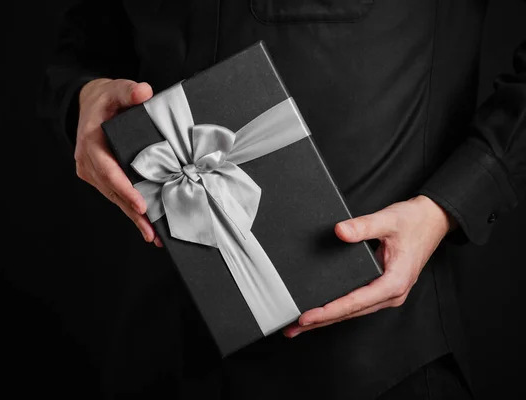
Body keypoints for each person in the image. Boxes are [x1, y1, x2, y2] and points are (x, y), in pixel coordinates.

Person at [41, 1, 525, 399]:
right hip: (159, 346)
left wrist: (448, 204)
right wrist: (83, 98)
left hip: (374, 365)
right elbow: (85, 40)